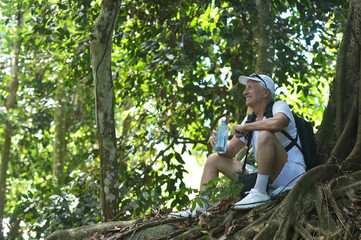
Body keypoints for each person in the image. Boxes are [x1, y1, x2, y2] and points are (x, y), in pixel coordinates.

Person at [168, 73, 306, 218]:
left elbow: (277, 123)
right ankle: (197, 210)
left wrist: (248, 127)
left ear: (266, 92)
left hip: (290, 175)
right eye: (246, 88)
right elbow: (231, 151)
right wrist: (218, 145)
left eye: (250, 88)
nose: (245, 92)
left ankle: (259, 193)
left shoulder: (279, 106)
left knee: (265, 134)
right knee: (213, 159)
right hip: (267, 179)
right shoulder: (250, 118)